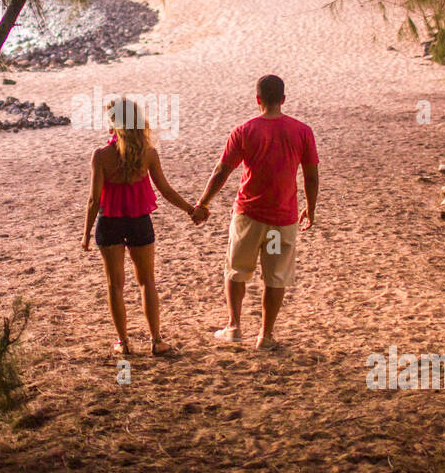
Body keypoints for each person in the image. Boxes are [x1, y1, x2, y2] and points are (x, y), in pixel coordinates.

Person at [191, 75, 318, 349]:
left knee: (237, 270)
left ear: (257, 99)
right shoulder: (302, 131)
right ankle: (266, 335)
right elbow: (311, 175)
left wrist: (203, 202)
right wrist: (311, 207)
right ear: (283, 99)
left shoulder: (244, 131)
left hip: (248, 215)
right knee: (275, 275)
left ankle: (234, 326)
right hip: (282, 219)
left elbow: (222, 171)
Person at [82, 97, 199, 355]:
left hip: (109, 221)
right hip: (139, 221)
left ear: (114, 123)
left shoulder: (101, 156)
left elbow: (93, 199)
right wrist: (190, 209)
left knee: (115, 284)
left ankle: (123, 343)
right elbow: (165, 189)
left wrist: (86, 235)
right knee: (147, 281)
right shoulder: (148, 154)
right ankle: (156, 340)